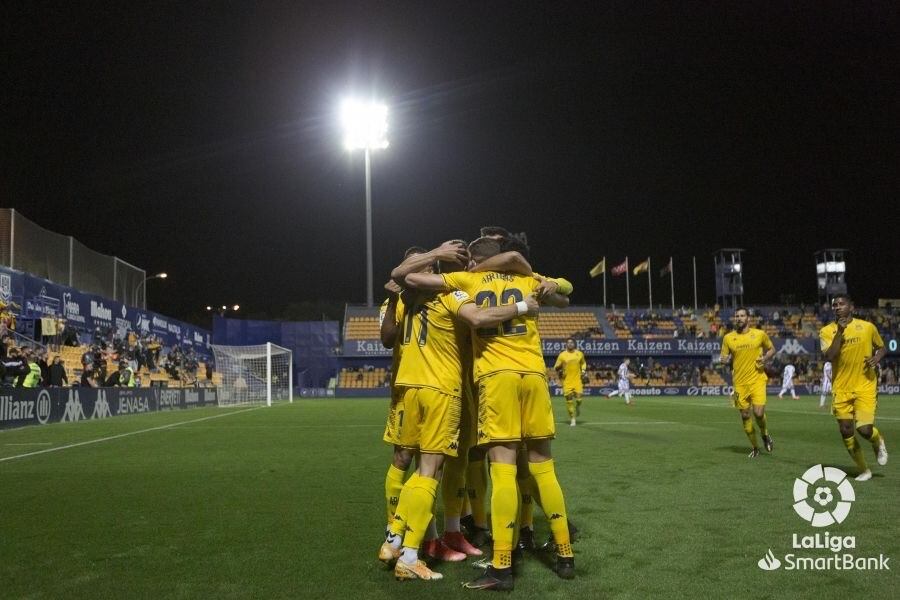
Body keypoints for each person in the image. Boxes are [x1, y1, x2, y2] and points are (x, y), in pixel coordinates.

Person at [401, 237, 575, 590]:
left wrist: (448, 263)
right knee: (544, 468)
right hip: (534, 376)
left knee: (505, 471)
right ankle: (565, 555)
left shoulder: (468, 280)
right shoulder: (527, 279)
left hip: (498, 379)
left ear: (475, 262)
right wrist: (553, 283)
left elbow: (411, 279)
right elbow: (564, 296)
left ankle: (501, 566)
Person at [378, 240, 542, 582]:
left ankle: (407, 537)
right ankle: (408, 547)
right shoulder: (447, 293)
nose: (419, 270)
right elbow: (479, 316)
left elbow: (399, 276)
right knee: (426, 467)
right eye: (417, 264)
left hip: (432, 388)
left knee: (442, 465)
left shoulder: (433, 289)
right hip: (439, 389)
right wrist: (524, 306)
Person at [820, 295, 888, 482]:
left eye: (841, 304)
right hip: (841, 388)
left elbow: (881, 348)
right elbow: (830, 356)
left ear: (852, 307)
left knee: (865, 429)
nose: (837, 307)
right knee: (846, 430)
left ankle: (877, 440)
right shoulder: (827, 331)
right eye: (835, 305)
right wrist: (840, 332)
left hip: (865, 384)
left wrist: (877, 358)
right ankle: (864, 470)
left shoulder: (867, 327)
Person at [720, 307, 776, 458]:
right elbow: (724, 358)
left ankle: (765, 435)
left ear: (748, 319)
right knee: (745, 415)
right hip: (739, 383)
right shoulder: (728, 338)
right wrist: (723, 360)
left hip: (757, 379)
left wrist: (764, 359)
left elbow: (771, 349)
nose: (739, 318)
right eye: (737, 316)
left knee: (758, 413)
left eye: (742, 315)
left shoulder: (759, 334)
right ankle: (755, 447)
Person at [554, 338, 586, 426]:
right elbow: (556, 367)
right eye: (568, 343)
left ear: (574, 344)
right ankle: (572, 419)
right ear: (566, 345)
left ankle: (578, 407)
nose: (570, 344)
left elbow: (583, 363)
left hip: (577, 381)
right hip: (567, 382)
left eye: (572, 342)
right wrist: (559, 370)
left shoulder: (579, 354)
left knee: (579, 400)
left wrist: (583, 371)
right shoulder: (562, 355)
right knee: (569, 401)